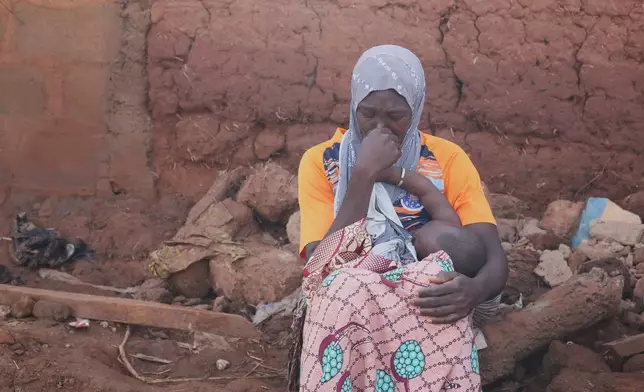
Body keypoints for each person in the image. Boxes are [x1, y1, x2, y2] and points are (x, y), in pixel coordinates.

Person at [290, 45, 508, 392]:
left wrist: (473, 290)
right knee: (341, 290)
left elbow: (492, 258)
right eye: (367, 114)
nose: (380, 127)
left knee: (434, 283)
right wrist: (363, 173)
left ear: (416, 108)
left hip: (427, 290)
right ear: (353, 106)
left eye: (396, 116)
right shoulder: (322, 161)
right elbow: (322, 267)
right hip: (352, 290)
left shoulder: (447, 159)